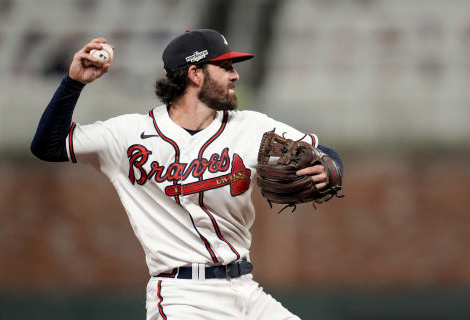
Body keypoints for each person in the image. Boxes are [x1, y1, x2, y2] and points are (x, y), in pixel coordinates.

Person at [31, 29, 343, 320]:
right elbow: (48, 146)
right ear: (195, 74)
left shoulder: (251, 126)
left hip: (245, 290)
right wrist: (74, 83)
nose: (235, 74)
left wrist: (330, 167)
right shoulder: (128, 134)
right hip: (183, 297)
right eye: (225, 66)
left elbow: (322, 152)